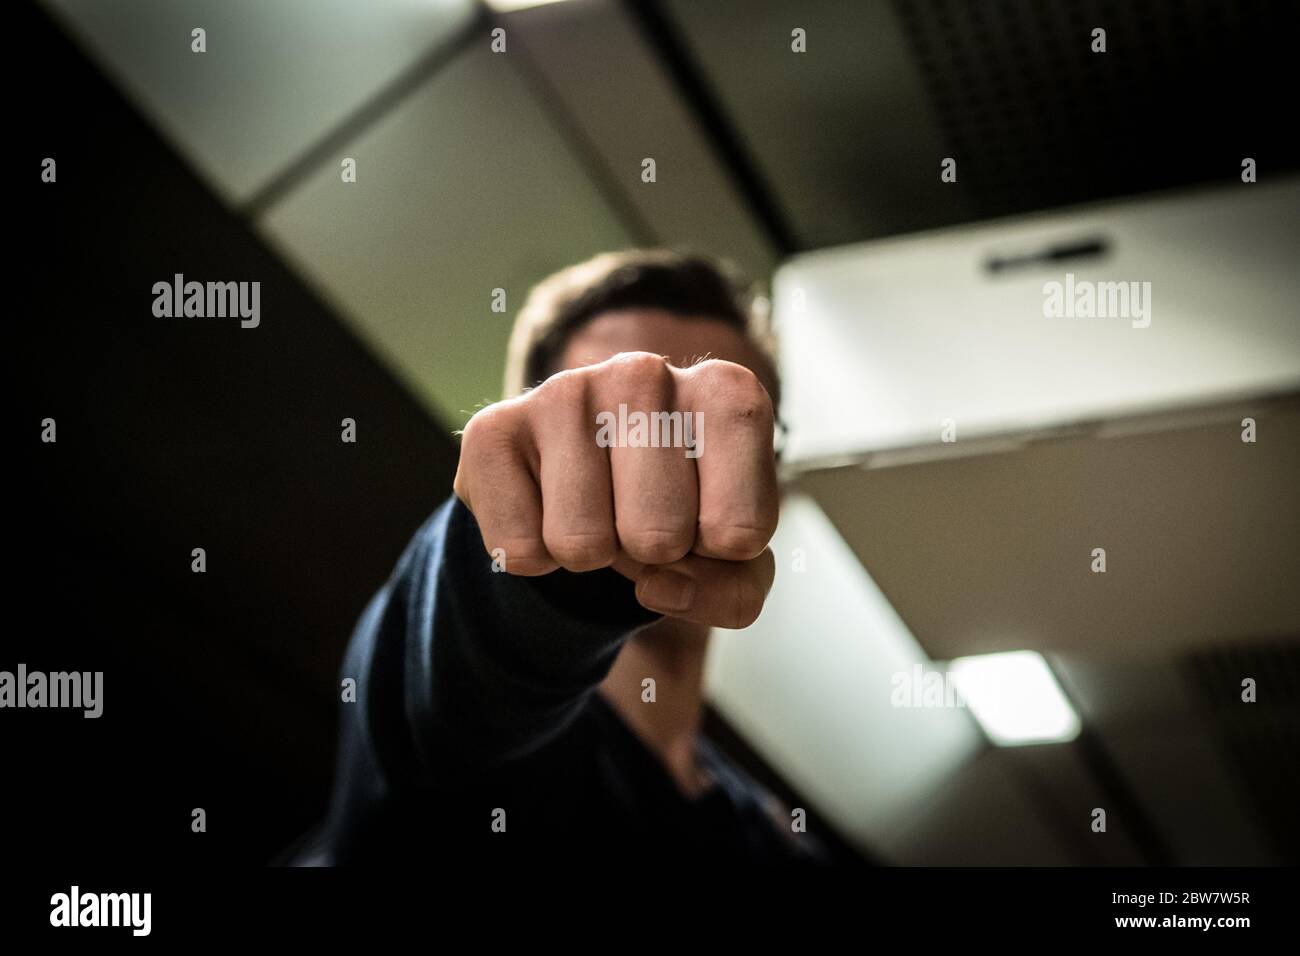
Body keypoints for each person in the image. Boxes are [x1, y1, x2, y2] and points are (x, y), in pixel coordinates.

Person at [293, 250, 825, 864]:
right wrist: (541, 572)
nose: (662, 458)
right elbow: (446, 686)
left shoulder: (776, 836)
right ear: (526, 452)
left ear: (773, 477)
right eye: (610, 424)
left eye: (710, 431)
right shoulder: (480, 761)